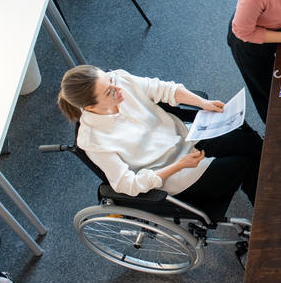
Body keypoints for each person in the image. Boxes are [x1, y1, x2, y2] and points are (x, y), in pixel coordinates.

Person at [57, 66, 263, 221]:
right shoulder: (93, 140)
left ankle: (264, 193)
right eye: (109, 91)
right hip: (176, 173)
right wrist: (180, 165)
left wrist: (202, 103)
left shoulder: (119, 80)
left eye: (109, 79)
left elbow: (165, 90)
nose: (118, 88)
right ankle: (266, 208)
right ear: (91, 106)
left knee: (251, 142)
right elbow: (127, 184)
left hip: (186, 137)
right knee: (245, 164)